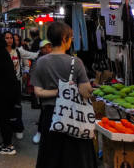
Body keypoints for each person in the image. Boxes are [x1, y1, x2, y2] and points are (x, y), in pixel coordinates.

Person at [32, 22, 96, 168]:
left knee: (50, 156)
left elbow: (38, 92)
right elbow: (85, 91)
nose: (71, 40)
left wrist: (57, 91)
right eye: (70, 37)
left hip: (49, 117)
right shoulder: (76, 62)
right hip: (72, 116)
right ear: (63, 39)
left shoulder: (40, 62)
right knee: (74, 157)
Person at [30, 39, 52, 145]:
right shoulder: (38, 60)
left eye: (49, 47)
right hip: (42, 89)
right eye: (44, 47)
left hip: (54, 89)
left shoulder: (54, 59)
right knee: (44, 111)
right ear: (41, 49)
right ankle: (40, 132)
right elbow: (34, 75)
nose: (47, 49)